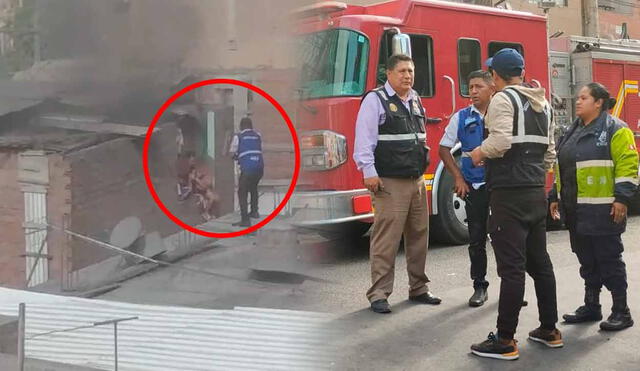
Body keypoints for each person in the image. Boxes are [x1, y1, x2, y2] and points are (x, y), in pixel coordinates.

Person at [469, 48, 561, 360]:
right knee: (540, 264)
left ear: (496, 75)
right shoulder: (543, 102)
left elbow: (501, 142)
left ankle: (505, 339)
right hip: (535, 191)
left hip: (508, 195)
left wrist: (478, 153)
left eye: (491, 73)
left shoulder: (502, 99)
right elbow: (550, 152)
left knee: (512, 268)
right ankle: (550, 329)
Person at [353, 54, 440, 314]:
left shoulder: (414, 99)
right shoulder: (375, 100)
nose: (408, 75)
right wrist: (368, 171)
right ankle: (379, 294)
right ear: (388, 74)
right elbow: (363, 139)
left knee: (419, 236)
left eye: (411, 71)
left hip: (415, 180)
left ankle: (419, 288)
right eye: (402, 70)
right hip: (390, 181)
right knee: (386, 239)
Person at [549, 82, 637, 331]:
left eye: (584, 98)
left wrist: (621, 198)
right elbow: (561, 166)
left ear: (599, 102)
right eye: (578, 98)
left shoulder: (616, 130)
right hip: (576, 211)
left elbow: (628, 167)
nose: (577, 102)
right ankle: (592, 306)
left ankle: (622, 311)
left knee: (609, 260)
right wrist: (553, 195)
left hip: (603, 210)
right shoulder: (572, 130)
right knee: (587, 260)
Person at [438, 70, 495, 307]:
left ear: (492, 88)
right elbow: (443, 149)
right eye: (470, 87)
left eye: (478, 86)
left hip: (500, 187)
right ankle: (479, 286)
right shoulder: (461, 117)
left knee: (506, 240)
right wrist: (458, 179)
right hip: (474, 187)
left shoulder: (502, 114)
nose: (472, 91)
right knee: (476, 240)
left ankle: (514, 287)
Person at [230, 117, 264, 227]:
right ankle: (254, 211)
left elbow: (232, 152)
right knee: (253, 187)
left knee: (242, 192)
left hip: (248, 168)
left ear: (241, 126)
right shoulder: (258, 135)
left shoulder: (238, 136)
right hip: (259, 167)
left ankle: (245, 220)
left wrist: (236, 156)